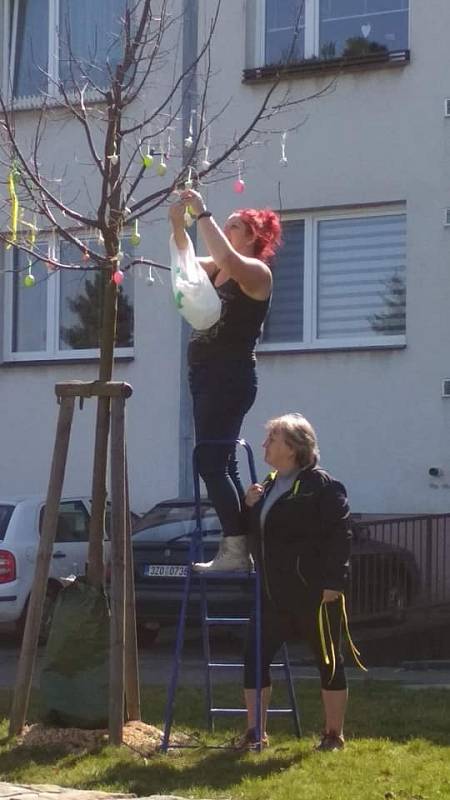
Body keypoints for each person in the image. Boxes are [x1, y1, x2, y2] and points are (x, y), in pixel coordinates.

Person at [168, 188, 281, 572]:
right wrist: (176, 224)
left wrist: (202, 214)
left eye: (233, 225)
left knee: (209, 462)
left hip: (228, 376)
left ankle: (234, 549)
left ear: (252, 236)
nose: (223, 227)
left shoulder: (256, 273)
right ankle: (236, 546)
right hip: (205, 374)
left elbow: (224, 255)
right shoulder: (218, 268)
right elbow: (185, 262)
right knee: (223, 462)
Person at [235, 412, 359, 752]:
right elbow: (258, 533)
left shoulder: (323, 486)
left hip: (315, 594)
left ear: (292, 447)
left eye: (271, 439)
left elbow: (341, 535)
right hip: (271, 594)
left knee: (328, 662)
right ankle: (254, 732)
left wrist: (335, 581)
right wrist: (249, 506)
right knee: (253, 658)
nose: (264, 445)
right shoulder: (270, 484)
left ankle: (333, 735)